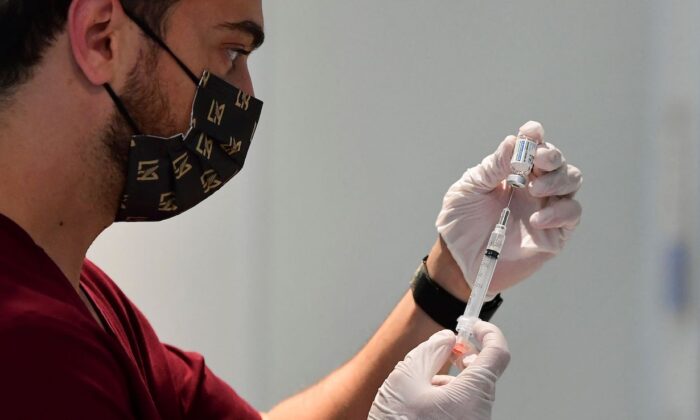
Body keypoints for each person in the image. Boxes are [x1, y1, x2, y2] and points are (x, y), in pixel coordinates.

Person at [0, 1, 582, 419]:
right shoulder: (27, 348)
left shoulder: (84, 296)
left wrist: (449, 281)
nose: (246, 94)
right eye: (230, 50)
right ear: (104, 36)